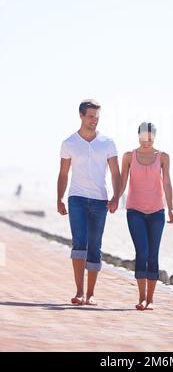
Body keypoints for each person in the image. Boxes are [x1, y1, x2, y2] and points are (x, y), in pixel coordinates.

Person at [57, 99, 120, 306]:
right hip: (76, 198)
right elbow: (63, 174)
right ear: (81, 116)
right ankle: (78, 291)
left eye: (97, 117)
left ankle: (90, 294)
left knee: (95, 246)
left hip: (99, 201)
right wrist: (59, 198)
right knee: (79, 243)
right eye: (91, 116)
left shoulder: (107, 143)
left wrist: (116, 197)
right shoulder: (69, 143)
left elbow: (115, 173)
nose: (94, 121)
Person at [120, 122, 173, 311]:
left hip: (157, 212)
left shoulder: (163, 157)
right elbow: (122, 182)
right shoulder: (129, 157)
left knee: (153, 254)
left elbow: (167, 182)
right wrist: (113, 200)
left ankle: (151, 299)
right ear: (138, 136)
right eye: (144, 136)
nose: (147, 140)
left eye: (150, 137)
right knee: (141, 252)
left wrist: (171, 208)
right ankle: (142, 297)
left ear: (155, 137)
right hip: (135, 210)